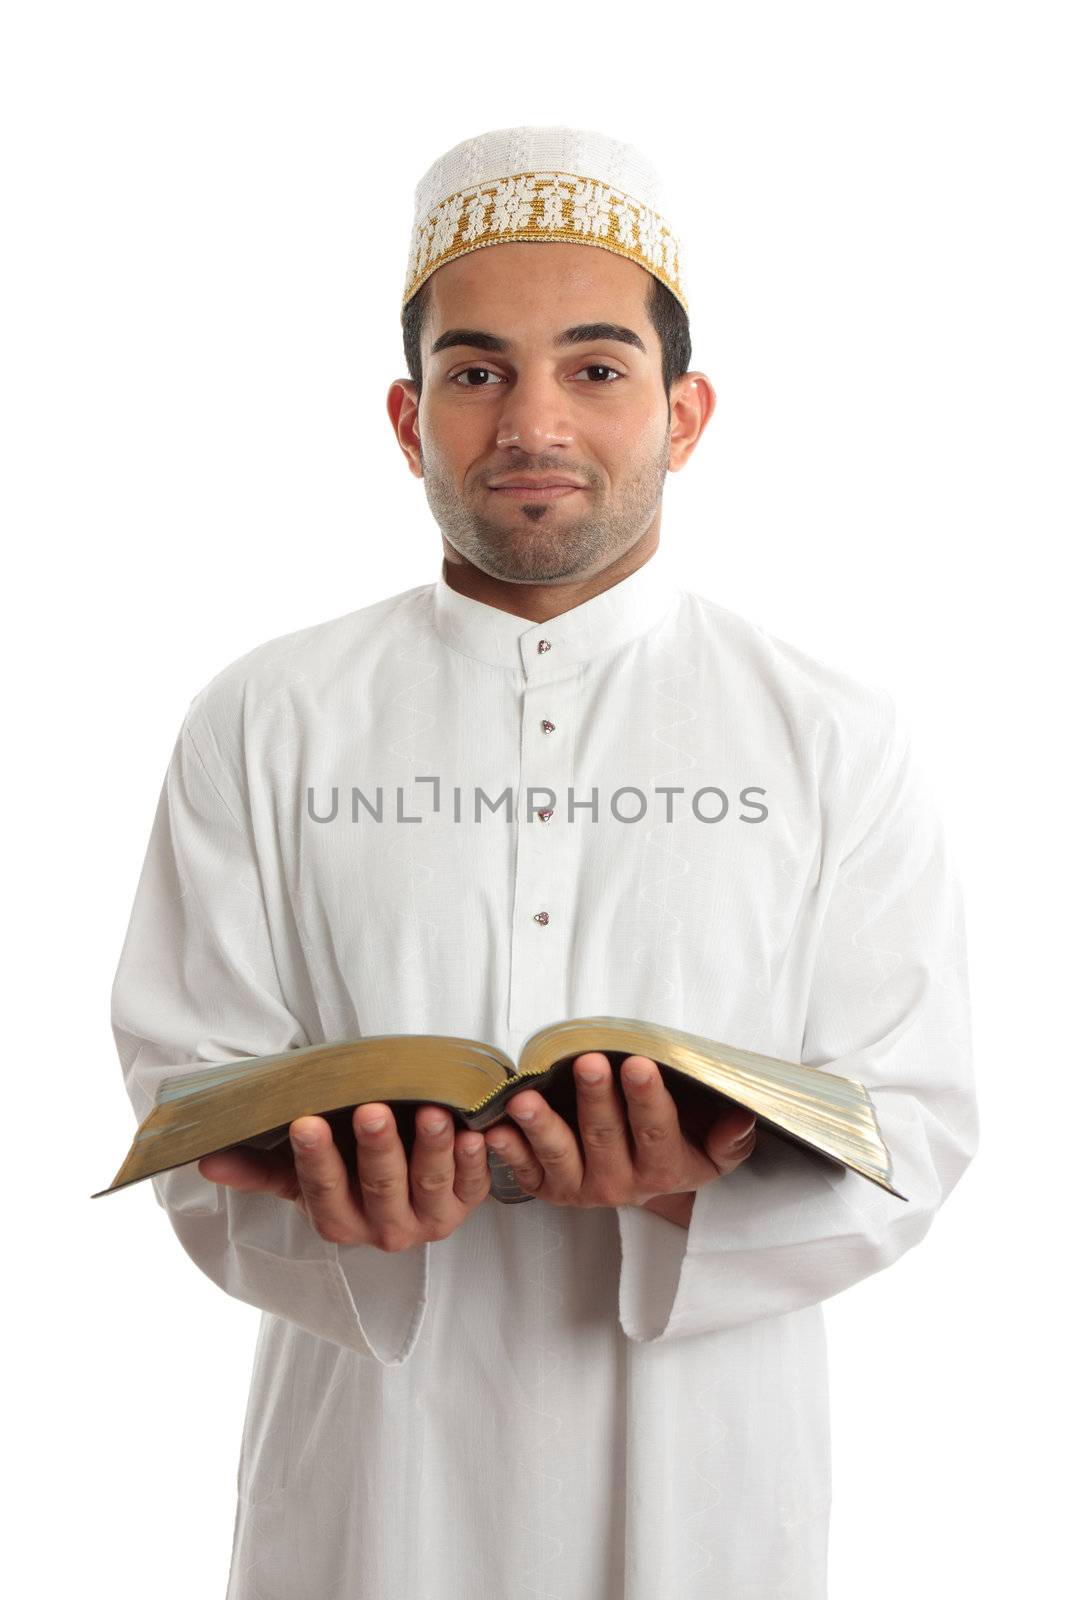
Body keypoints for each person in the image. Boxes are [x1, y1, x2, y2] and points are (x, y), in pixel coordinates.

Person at [109, 124, 979, 1599]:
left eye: (595, 368)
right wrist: (341, 1204)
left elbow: (919, 1124)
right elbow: (187, 1102)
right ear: (407, 417)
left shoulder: (833, 730)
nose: (533, 424)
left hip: (705, 1481)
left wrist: (688, 1187)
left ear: (685, 412)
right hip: (369, 1483)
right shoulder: (265, 716)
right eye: (476, 372)